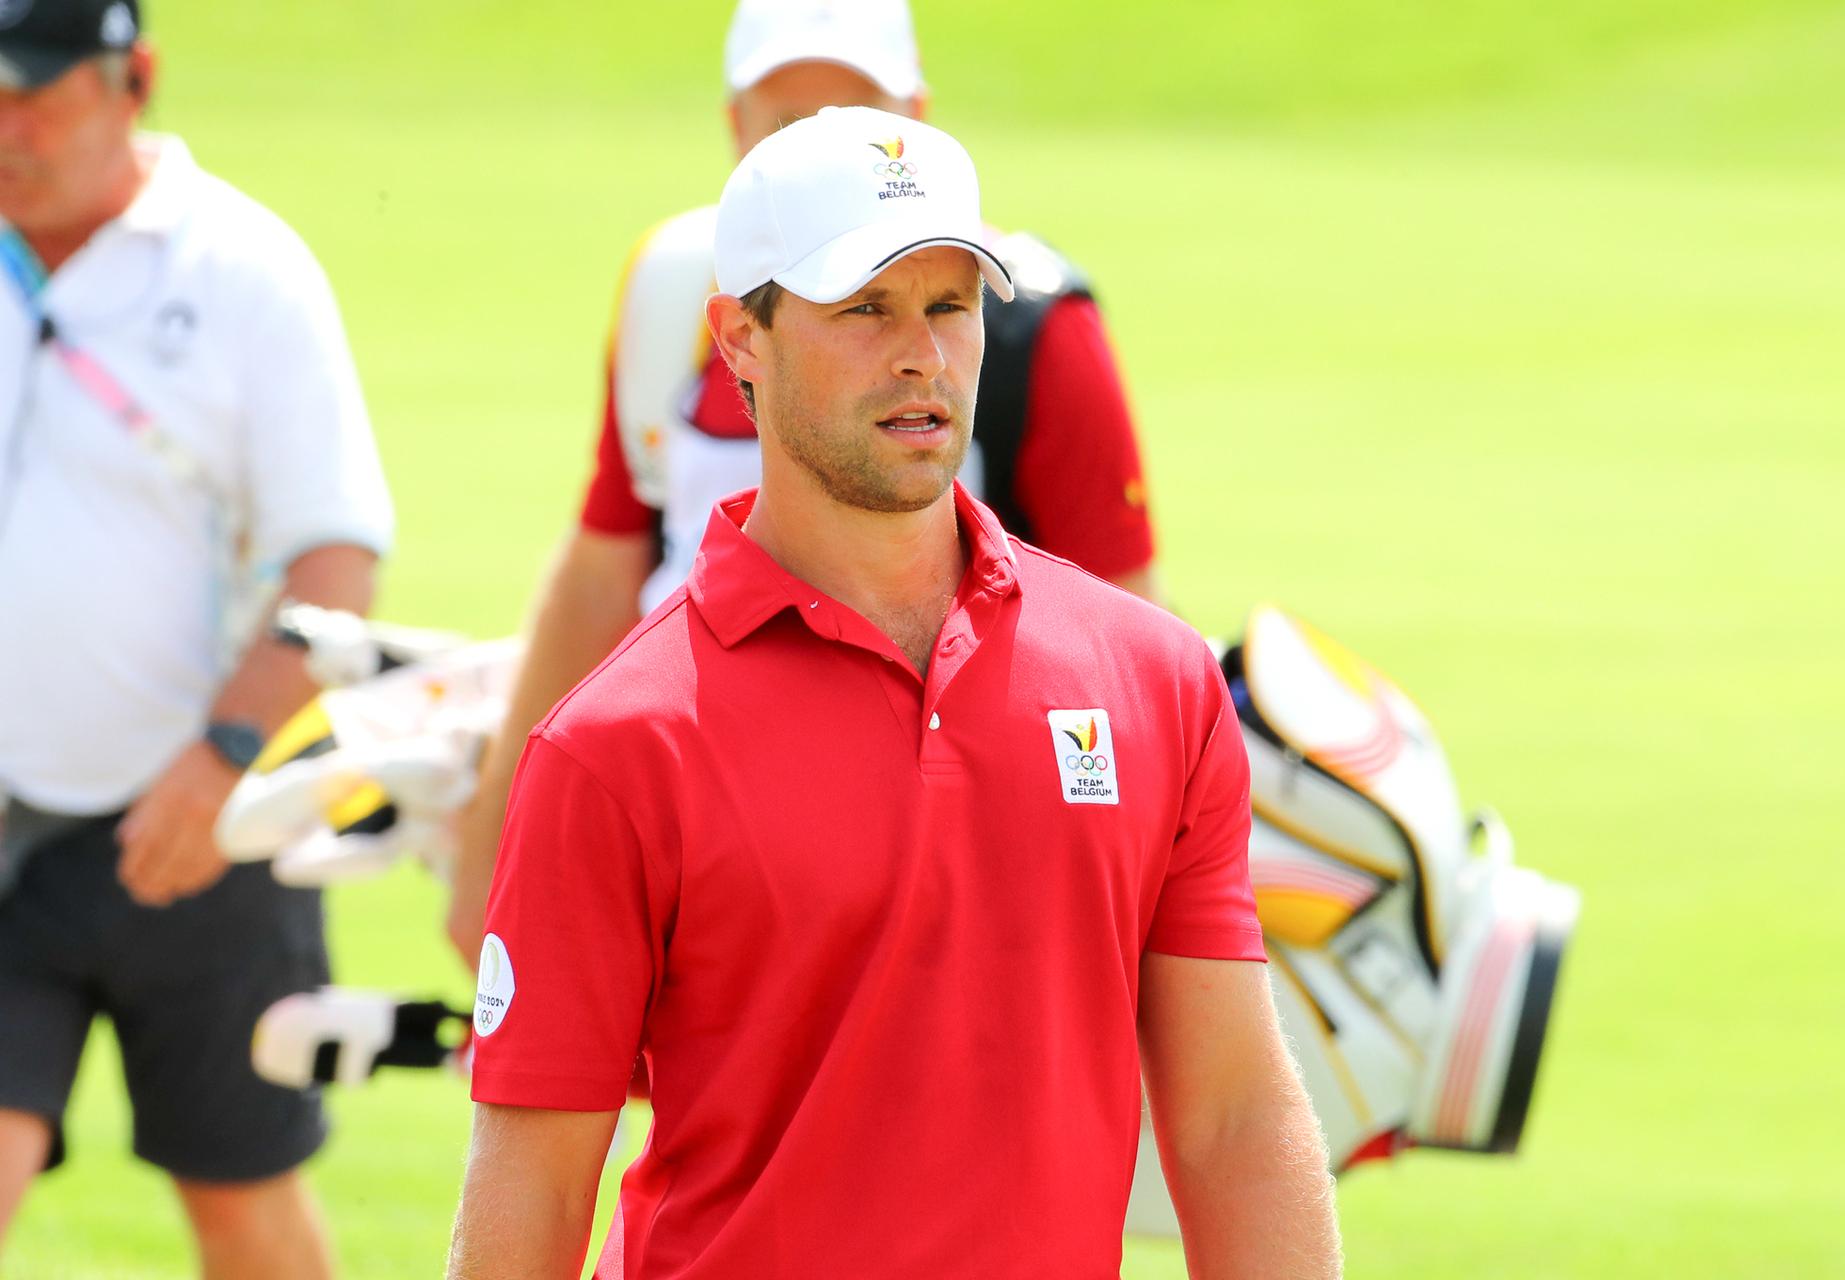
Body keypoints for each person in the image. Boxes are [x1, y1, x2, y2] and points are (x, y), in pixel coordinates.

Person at [446, 107, 1340, 1279]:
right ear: (740, 338)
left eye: (949, 304)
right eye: (864, 307)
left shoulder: (1156, 682)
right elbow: (535, 1184)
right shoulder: (613, 747)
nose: (919, 353)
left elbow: (1231, 1120)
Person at [445, 0, 1161, 969]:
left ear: (919, 114)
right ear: (736, 131)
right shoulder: (670, 294)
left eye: (865, 119)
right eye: (789, 128)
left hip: (942, 855)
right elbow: (601, 570)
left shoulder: (1037, 326)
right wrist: (495, 851)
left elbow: (1121, 656)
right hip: (688, 819)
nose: (835, 159)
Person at [0, 3, 392, 1274]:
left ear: (135, 83)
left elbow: (334, 555)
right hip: (10, 832)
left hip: (207, 821)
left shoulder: (243, 271)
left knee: (239, 1196)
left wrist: (225, 754)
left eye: (35, 94)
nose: (7, 130)